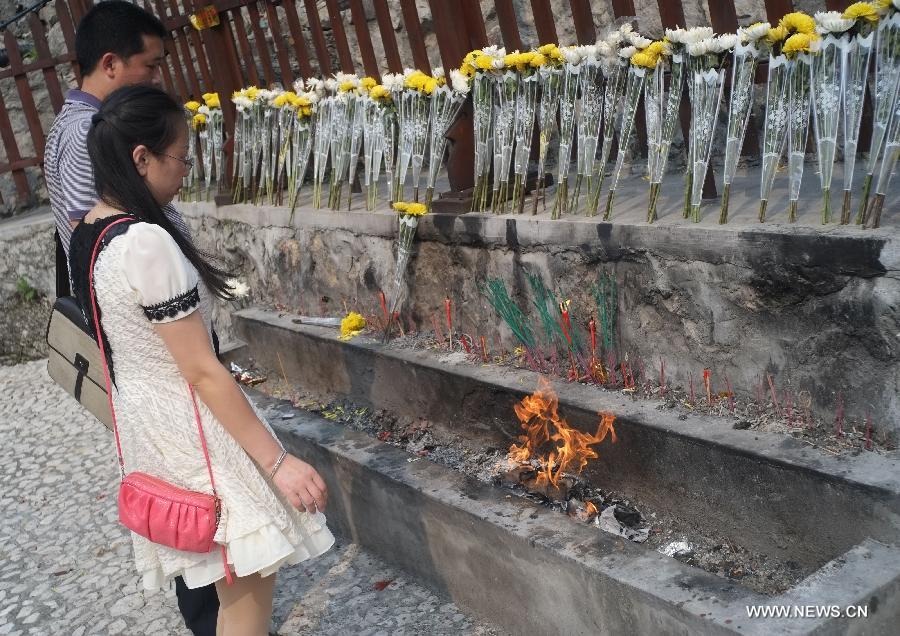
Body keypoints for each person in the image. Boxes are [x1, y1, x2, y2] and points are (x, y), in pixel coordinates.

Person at [70, 84, 335, 635]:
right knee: (244, 596)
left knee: (229, 587)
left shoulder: (89, 231)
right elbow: (201, 369)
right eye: (181, 156)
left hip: (151, 430)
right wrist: (278, 463)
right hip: (200, 436)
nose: (188, 169)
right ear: (141, 158)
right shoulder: (145, 242)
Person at [42, 3, 221, 632]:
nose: (156, 79)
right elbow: (126, 251)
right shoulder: (98, 145)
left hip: (139, 355)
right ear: (111, 63)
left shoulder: (67, 128)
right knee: (200, 507)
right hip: (155, 353)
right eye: (149, 66)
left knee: (183, 502)